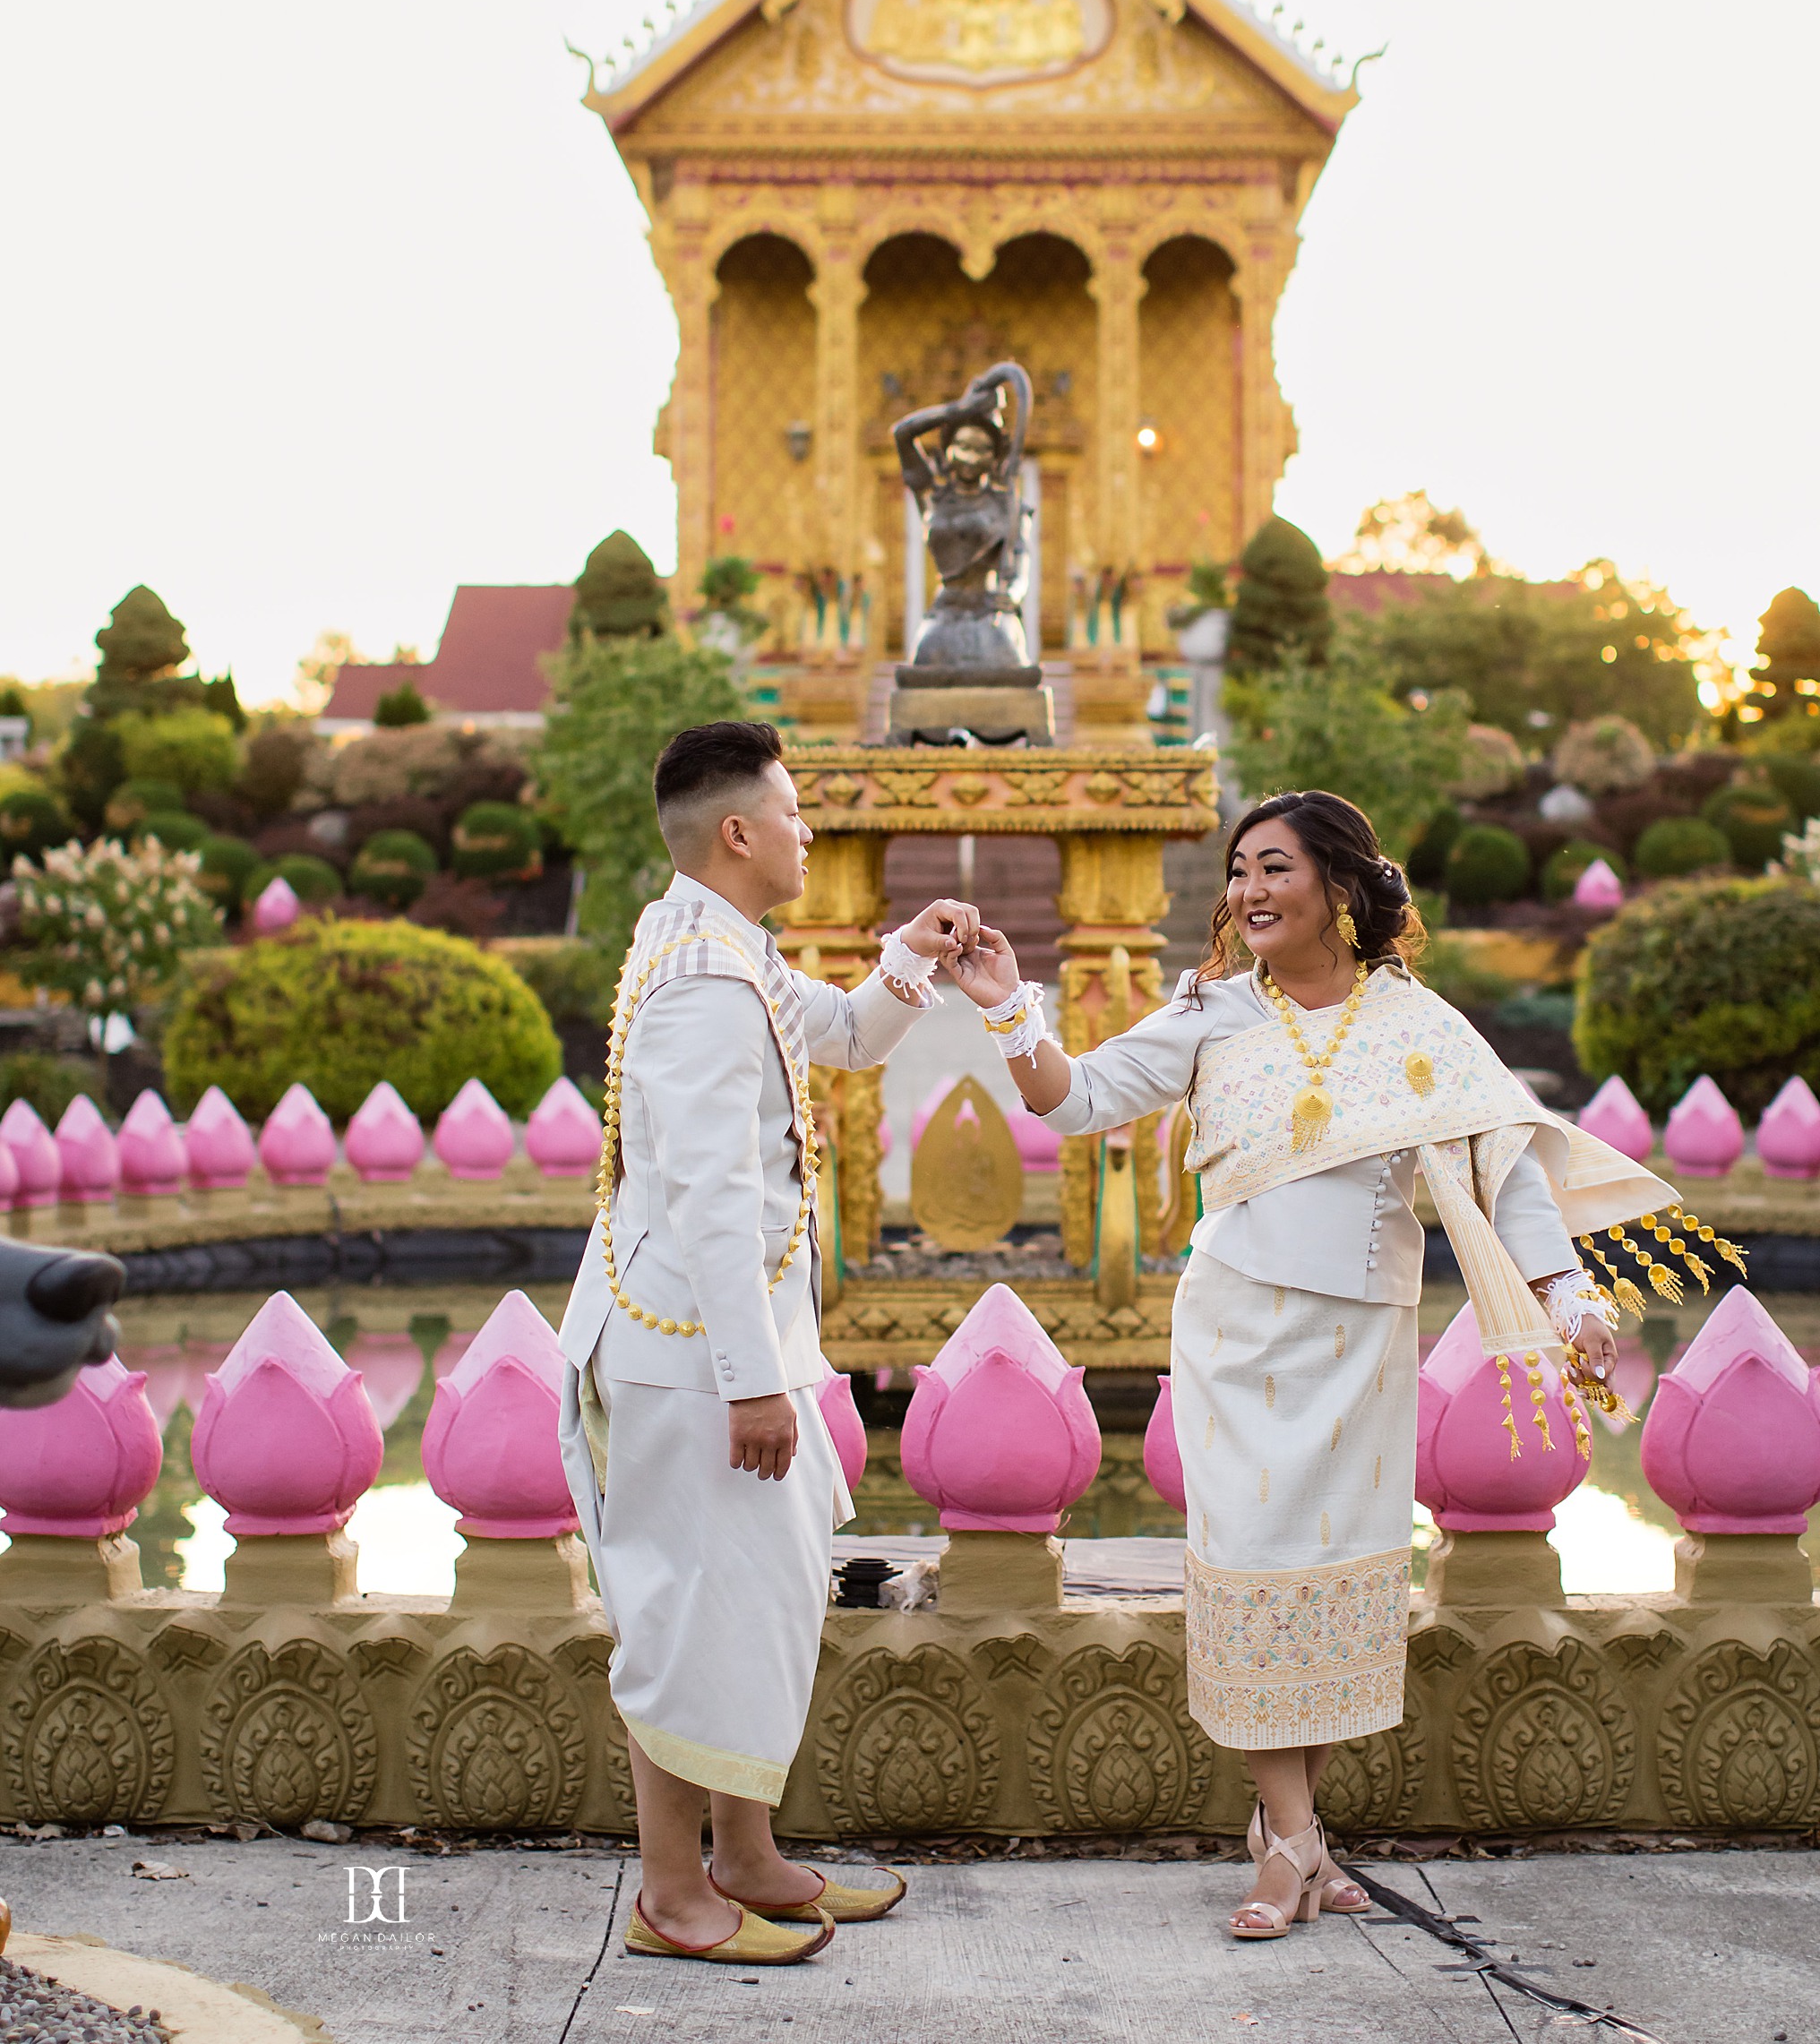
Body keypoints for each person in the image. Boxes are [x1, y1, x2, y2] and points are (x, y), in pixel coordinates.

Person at [947, 788, 1678, 1939]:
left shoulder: (1418, 1027)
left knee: (1334, 1588)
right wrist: (1006, 1010)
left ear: (1340, 884)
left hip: (1362, 1341)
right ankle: (1291, 1843)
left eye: (1273, 866)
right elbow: (1074, 1098)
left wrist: (1564, 1290)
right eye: (1239, 870)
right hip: (1239, 1334)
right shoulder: (1209, 1014)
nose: (1247, 891)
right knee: (1247, 1569)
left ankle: (1289, 1832)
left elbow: (1506, 1171)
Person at [557, 718, 977, 1967]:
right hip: (692, 1352)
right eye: (793, 813)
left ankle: (745, 1856)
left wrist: (915, 955)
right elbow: (706, 1193)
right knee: (689, 1617)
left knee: (760, 1601)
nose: (808, 831)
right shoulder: (699, 977)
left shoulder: (717, 942)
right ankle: (672, 1897)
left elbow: (838, 1037)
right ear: (738, 833)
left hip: (724, 1342)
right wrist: (753, 1384)